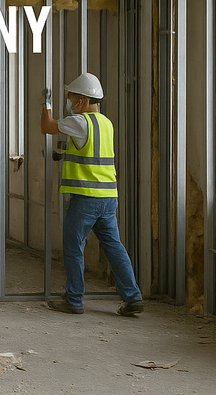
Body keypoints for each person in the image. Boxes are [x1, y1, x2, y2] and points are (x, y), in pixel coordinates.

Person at [40, 72, 144, 317]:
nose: (69, 102)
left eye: (70, 98)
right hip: (108, 198)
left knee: (73, 246)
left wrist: (46, 103)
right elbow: (91, 152)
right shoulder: (106, 123)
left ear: (81, 102)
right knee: (114, 247)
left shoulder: (79, 121)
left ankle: (74, 299)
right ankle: (133, 297)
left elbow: (47, 126)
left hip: (86, 198)